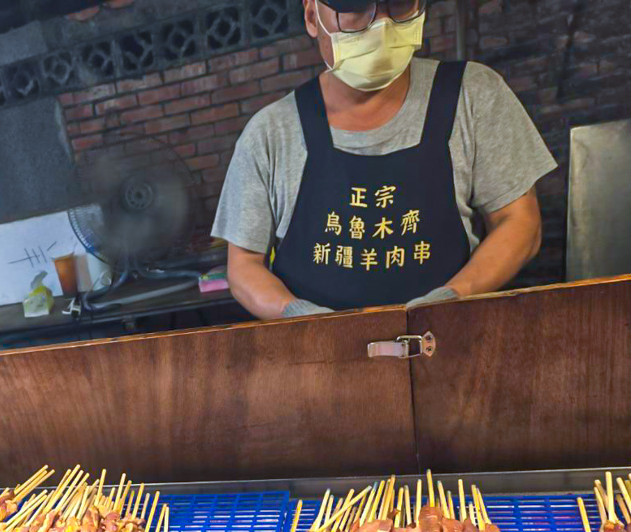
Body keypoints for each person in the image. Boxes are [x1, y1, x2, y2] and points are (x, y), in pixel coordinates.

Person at [213, 0, 556, 318]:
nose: (381, 25)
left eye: (399, 3)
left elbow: (519, 222)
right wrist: (301, 316)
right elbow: (243, 264)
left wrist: (453, 298)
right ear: (311, 16)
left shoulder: (472, 94)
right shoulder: (271, 132)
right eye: (357, 8)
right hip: (321, 362)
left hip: (450, 347)